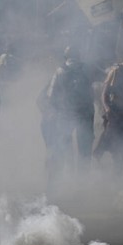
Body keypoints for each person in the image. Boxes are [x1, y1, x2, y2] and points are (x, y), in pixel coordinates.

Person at [40, 46, 95, 181]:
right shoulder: (87, 69)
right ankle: (82, 180)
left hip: (66, 114)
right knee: (84, 150)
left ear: (65, 57)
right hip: (84, 113)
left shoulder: (59, 72)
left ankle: (68, 179)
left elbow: (51, 95)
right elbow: (96, 90)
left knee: (65, 148)